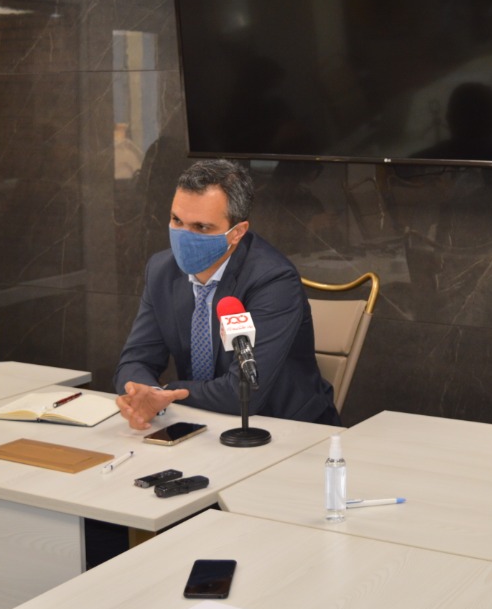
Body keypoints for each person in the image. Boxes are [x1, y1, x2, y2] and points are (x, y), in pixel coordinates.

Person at [114, 158, 340, 429]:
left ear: (237, 233)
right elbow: (135, 361)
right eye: (177, 220)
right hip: (200, 421)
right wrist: (144, 394)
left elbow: (244, 391)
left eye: (201, 227)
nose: (184, 236)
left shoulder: (273, 280)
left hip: (285, 429)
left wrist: (165, 393)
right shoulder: (162, 270)